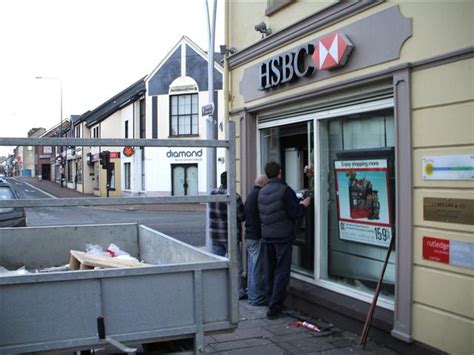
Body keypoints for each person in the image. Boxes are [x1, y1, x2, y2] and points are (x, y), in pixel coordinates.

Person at [258, 161, 311, 319]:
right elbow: (295, 213)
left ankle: (270, 301)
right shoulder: (285, 190)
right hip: (282, 237)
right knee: (281, 271)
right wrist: (304, 205)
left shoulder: (262, 191)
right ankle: (275, 308)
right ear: (280, 172)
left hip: (267, 236)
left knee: (270, 270)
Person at [209, 171, 247, 300]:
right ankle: (238, 292)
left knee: (217, 264)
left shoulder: (212, 193)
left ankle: (216, 290)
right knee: (235, 265)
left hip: (215, 235)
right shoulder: (234, 197)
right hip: (230, 236)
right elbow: (242, 216)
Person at [244, 174, 268, 306]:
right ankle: (256, 297)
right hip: (256, 236)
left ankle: (252, 295)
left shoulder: (251, 195)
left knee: (253, 266)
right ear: (264, 184)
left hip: (249, 235)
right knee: (257, 268)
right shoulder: (259, 196)